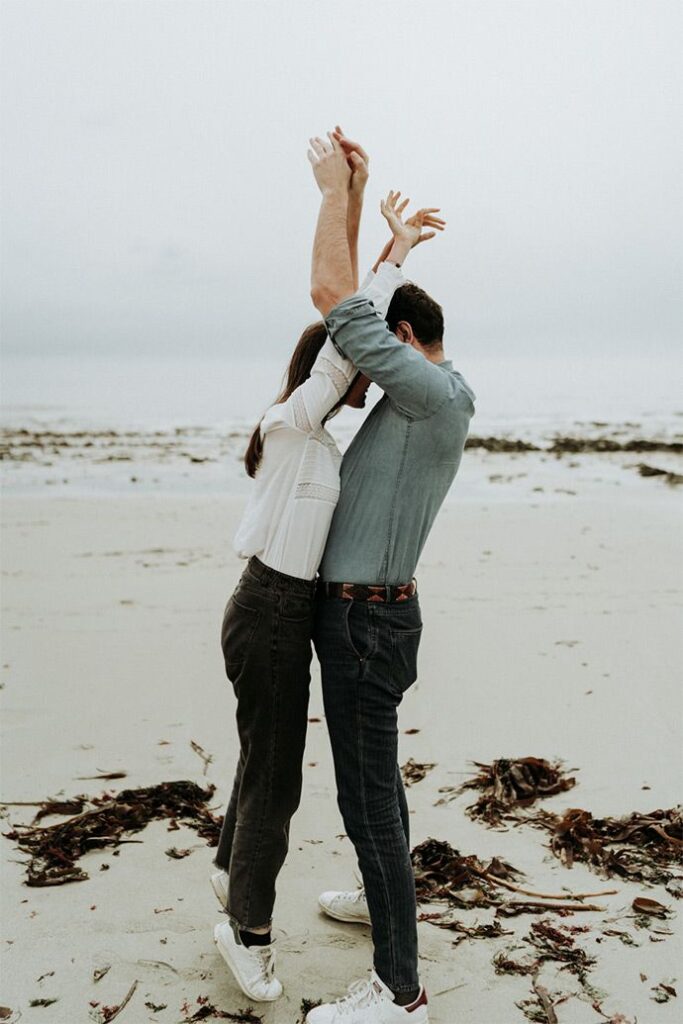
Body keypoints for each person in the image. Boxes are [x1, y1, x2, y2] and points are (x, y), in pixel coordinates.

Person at [211, 127, 443, 1004]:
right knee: (276, 779)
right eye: (353, 373)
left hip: (289, 611)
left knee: (263, 757)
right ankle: (245, 930)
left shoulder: (312, 433)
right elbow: (348, 324)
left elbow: (349, 324)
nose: (367, 383)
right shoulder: (294, 424)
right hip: (268, 610)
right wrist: (342, 202)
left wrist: (380, 234)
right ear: (326, 374)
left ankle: (227, 872)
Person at [305, 130, 475, 1024]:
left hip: (366, 624)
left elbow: (336, 303)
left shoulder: (425, 391)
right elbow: (361, 304)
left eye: (381, 348)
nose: (364, 374)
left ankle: (398, 992)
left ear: (402, 341)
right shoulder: (438, 389)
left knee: (367, 799)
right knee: (376, 787)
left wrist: (333, 192)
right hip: (373, 615)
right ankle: (384, 903)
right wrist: (391, 242)